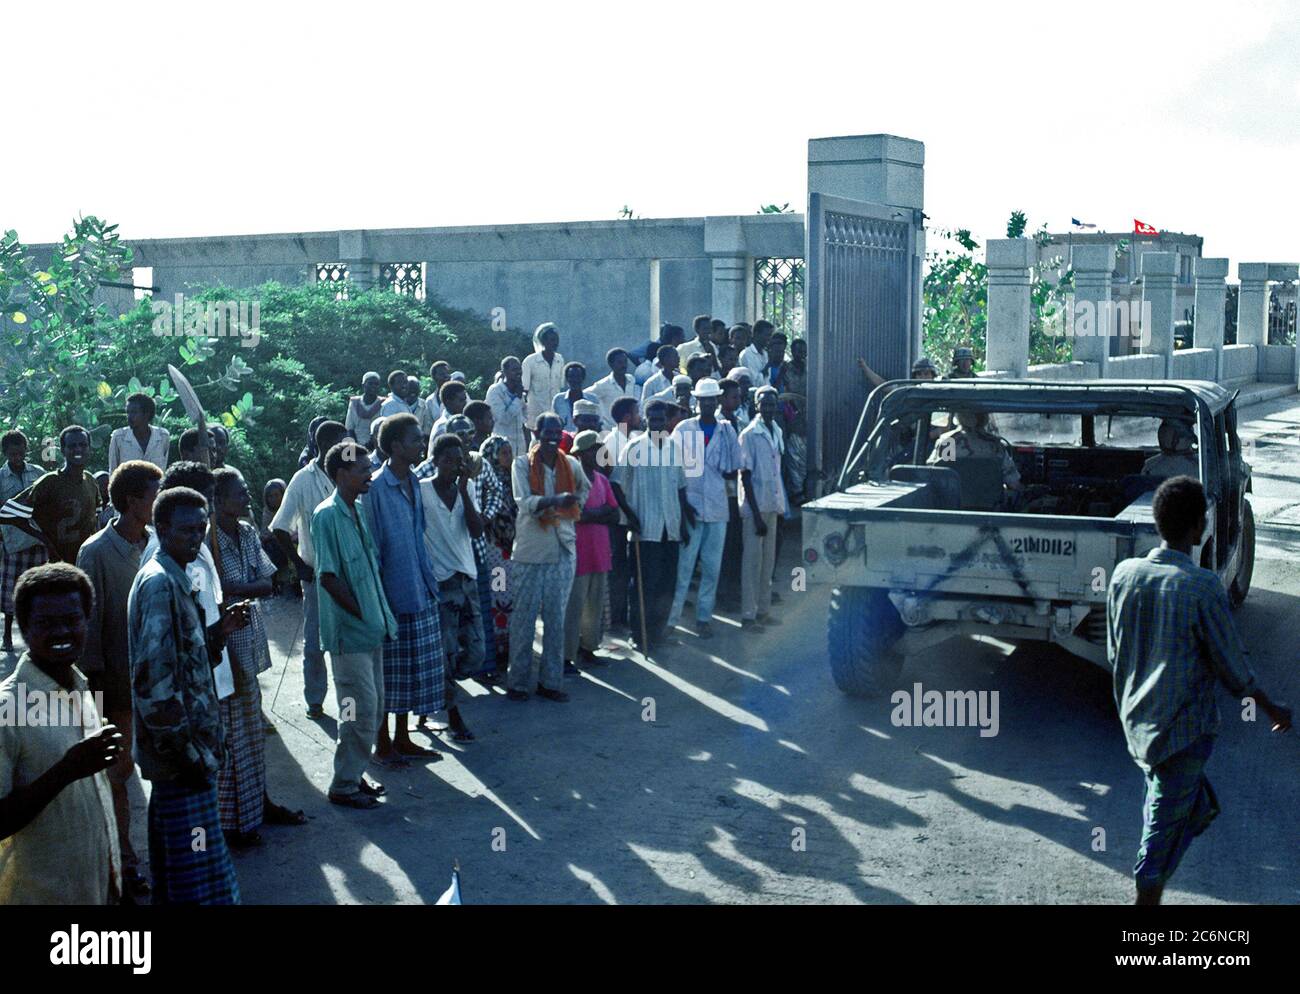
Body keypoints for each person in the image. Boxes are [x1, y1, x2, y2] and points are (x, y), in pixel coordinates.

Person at [1107, 476, 1291, 905]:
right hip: (1184, 730)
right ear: (1198, 528)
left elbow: (1116, 650)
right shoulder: (1203, 587)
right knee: (1158, 839)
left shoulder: (1123, 575)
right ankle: (1146, 898)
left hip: (1138, 722)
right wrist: (1272, 707)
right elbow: (1235, 671)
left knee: (1174, 805)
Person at [129, 486, 244, 904]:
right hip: (181, 763)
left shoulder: (176, 576)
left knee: (179, 872)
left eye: (201, 529)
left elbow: (183, 661)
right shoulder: (160, 584)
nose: (195, 538)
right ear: (161, 529)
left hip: (185, 758)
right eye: (185, 530)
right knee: (197, 876)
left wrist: (216, 634)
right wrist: (190, 757)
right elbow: (155, 687)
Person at [0, 563, 124, 904]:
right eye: (46, 623)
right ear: (23, 627)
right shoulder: (7, 709)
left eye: (72, 620)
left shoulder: (81, 686)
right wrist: (66, 771)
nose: (62, 632)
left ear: (87, 620)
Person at [76, 459, 161, 900]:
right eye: (154, 495)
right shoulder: (95, 553)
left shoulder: (155, 544)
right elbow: (88, 633)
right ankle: (122, 862)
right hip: (116, 685)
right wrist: (99, 694)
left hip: (155, 683)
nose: (159, 502)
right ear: (133, 501)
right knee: (119, 776)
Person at [212, 468, 307, 846]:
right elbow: (215, 594)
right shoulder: (205, 539)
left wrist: (233, 588)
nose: (247, 498)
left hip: (249, 640)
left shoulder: (249, 532)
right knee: (228, 736)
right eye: (240, 494)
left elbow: (268, 584)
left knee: (251, 733)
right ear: (218, 500)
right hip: (222, 648)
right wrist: (234, 590)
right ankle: (231, 821)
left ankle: (258, 804)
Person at [311, 441, 397, 809]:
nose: (369, 475)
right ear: (341, 474)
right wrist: (361, 613)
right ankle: (343, 785)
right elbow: (328, 578)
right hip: (349, 636)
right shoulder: (326, 515)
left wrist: (374, 615)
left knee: (372, 709)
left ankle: (353, 773)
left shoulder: (357, 509)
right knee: (356, 710)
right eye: (362, 470)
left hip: (373, 629)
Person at [363, 414, 446, 763]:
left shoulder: (415, 481)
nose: (421, 444)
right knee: (388, 674)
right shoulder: (376, 488)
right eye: (415, 439)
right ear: (395, 446)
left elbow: (418, 534)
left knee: (411, 670)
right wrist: (380, 600)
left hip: (420, 587)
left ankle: (402, 737)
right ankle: (382, 744)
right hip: (392, 594)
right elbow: (373, 549)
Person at [508, 412, 589, 701]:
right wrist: (555, 501)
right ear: (537, 433)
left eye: (557, 432)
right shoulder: (521, 464)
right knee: (524, 619)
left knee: (556, 620)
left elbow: (584, 490)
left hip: (563, 548)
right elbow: (525, 502)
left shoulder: (572, 464)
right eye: (547, 432)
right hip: (531, 550)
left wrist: (570, 507)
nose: (552, 437)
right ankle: (517, 682)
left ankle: (550, 682)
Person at [273, 419, 349, 718]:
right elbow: (279, 527)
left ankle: (349, 703)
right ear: (323, 446)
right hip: (317, 573)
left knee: (348, 642)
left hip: (349, 573)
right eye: (339, 445)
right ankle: (315, 699)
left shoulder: (349, 473)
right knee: (315, 642)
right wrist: (298, 564)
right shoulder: (303, 480)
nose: (344, 449)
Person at [612, 400, 692, 651]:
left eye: (661, 419)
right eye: (652, 419)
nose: (657, 423)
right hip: (645, 529)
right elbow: (616, 485)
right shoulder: (633, 448)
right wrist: (630, 517)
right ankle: (640, 634)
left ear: (666, 421)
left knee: (666, 584)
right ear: (646, 420)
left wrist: (683, 524)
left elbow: (680, 487)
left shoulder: (674, 448)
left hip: (671, 526)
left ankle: (658, 632)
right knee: (644, 585)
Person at [420, 434, 483, 741]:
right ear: (434, 461)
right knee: (445, 653)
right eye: (447, 459)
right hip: (441, 582)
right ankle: (453, 714)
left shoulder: (467, 488)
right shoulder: (421, 492)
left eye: (458, 460)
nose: (453, 465)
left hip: (466, 578)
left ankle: (436, 690)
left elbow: (476, 530)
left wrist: (463, 492)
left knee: (475, 652)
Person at [668, 379, 740, 638]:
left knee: (712, 567)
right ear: (696, 402)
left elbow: (734, 469)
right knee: (684, 567)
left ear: (717, 401)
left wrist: (718, 468)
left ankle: (703, 617)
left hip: (718, 506)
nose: (708, 404)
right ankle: (672, 621)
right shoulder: (683, 430)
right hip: (690, 506)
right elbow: (673, 468)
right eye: (703, 400)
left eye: (712, 400)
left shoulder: (727, 430)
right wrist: (682, 504)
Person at [0, 425, 99, 566]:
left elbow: (94, 521)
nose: (78, 449)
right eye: (72, 446)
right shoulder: (49, 481)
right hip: (32, 551)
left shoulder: (90, 481)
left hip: (82, 558)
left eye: (83, 445)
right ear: (63, 450)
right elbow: (7, 514)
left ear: (89, 448)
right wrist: (44, 539)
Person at [564, 430, 619, 672]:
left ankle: (588, 648)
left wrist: (592, 514)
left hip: (600, 550)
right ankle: (567, 656)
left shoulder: (602, 480)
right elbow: (574, 516)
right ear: (581, 454)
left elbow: (614, 514)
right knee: (574, 606)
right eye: (593, 450)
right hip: (578, 552)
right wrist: (599, 513)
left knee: (594, 606)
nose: (598, 455)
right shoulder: (572, 481)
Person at [739, 386, 787, 628]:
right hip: (755, 507)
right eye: (764, 403)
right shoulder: (749, 434)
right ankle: (748, 615)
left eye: (772, 403)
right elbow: (745, 476)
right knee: (752, 563)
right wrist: (756, 514)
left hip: (773, 503)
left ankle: (763, 611)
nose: (768, 407)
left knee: (768, 562)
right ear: (756, 405)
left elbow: (777, 470)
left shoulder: (776, 429)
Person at [1, 431, 46, 653]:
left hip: (38, 540)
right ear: (5, 453)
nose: (17, 456)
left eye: (20, 452)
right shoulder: (1, 477)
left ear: (26, 450)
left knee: (37, 589)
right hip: (13, 543)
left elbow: (48, 503)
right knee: (11, 589)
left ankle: (34, 635)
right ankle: (7, 635)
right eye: (12, 453)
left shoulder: (38, 473)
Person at [475, 435, 517, 671]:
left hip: (510, 546)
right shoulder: (486, 480)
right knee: (498, 597)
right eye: (503, 453)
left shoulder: (512, 479)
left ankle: (510, 644)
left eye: (510, 452)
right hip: (493, 547)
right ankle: (498, 649)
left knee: (509, 596)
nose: (508, 457)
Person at [603, 397, 641, 631]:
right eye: (637, 413)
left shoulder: (636, 439)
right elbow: (612, 483)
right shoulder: (611, 441)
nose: (640, 418)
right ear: (627, 417)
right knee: (617, 566)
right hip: (619, 514)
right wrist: (627, 511)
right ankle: (616, 616)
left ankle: (625, 612)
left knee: (629, 567)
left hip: (632, 512)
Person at [927, 410, 1022, 493]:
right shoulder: (994, 445)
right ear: (985, 417)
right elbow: (1013, 483)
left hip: (952, 503)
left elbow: (933, 474)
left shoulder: (948, 442)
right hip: (989, 506)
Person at [108, 392, 170, 473]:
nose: (129, 417)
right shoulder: (119, 437)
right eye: (128, 412)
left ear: (146, 414)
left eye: (134, 412)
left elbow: (163, 471)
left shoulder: (163, 437)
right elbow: (113, 471)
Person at [522, 323, 566, 432]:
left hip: (554, 414)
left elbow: (560, 387)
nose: (555, 343)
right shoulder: (530, 361)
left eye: (556, 340)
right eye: (551, 340)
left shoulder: (560, 360)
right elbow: (524, 389)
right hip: (536, 415)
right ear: (543, 341)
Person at [486, 356, 529, 462]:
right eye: (514, 370)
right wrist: (517, 398)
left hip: (520, 447)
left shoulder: (518, 390)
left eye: (519, 369)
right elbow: (503, 418)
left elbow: (525, 418)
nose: (518, 372)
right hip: (502, 449)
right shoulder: (495, 391)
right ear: (504, 372)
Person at [590, 348, 637, 429]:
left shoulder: (631, 380)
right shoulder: (602, 385)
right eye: (620, 362)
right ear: (611, 364)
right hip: (610, 430)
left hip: (630, 429)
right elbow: (585, 396)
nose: (624, 365)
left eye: (625, 361)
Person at [552, 362, 599, 431]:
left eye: (578, 376)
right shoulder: (558, 400)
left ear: (583, 378)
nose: (575, 380)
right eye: (571, 376)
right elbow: (554, 423)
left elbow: (598, 422)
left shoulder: (592, 399)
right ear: (566, 379)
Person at [427, 380, 469, 453]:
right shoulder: (443, 427)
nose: (465, 403)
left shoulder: (464, 421)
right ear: (448, 402)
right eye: (461, 400)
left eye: (465, 399)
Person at [346, 372, 385, 449]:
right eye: (370, 383)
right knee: (346, 457)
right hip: (354, 443)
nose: (373, 386)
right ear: (363, 385)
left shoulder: (383, 403)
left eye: (376, 384)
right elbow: (349, 428)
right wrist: (356, 447)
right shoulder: (354, 403)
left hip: (375, 445)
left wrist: (370, 444)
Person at [424, 361, 453, 427]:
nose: (446, 376)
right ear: (434, 377)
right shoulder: (430, 401)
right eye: (442, 374)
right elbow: (429, 426)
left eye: (448, 373)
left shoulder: (460, 395)